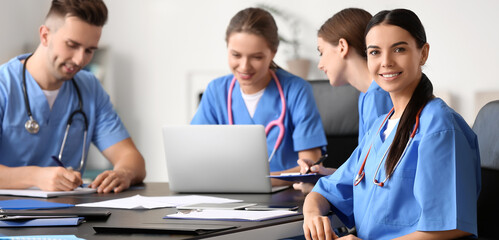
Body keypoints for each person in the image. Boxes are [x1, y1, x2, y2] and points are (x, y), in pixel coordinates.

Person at [303, 9, 481, 239]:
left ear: (423, 53)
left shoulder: (439, 126)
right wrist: (312, 215)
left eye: (399, 49)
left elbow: (450, 227)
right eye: (375, 52)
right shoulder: (380, 127)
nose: (386, 62)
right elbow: (326, 190)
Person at [0, 0, 146, 193]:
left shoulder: (89, 88)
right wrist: (36, 176)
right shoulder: (4, 86)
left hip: (72, 217)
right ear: (45, 35)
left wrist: (123, 173)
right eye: (72, 45)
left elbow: (132, 158)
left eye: (89, 50)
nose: (79, 60)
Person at [191, 7, 327, 185]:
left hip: (285, 201)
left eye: (256, 57)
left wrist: (251, 182)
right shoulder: (216, 91)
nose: (244, 66)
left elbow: (310, 169)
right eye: (236, 55)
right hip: (227, 199)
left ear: (273, 52)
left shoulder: (296, 90)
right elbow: (195, 158)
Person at [294, 8, 393, 194]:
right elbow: (363, 170)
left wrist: (321, 188)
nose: (320, 64)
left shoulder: (379, 97)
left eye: (321, 52)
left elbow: (376, 178)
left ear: (342, 46)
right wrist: (323, 175)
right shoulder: (366, 95)